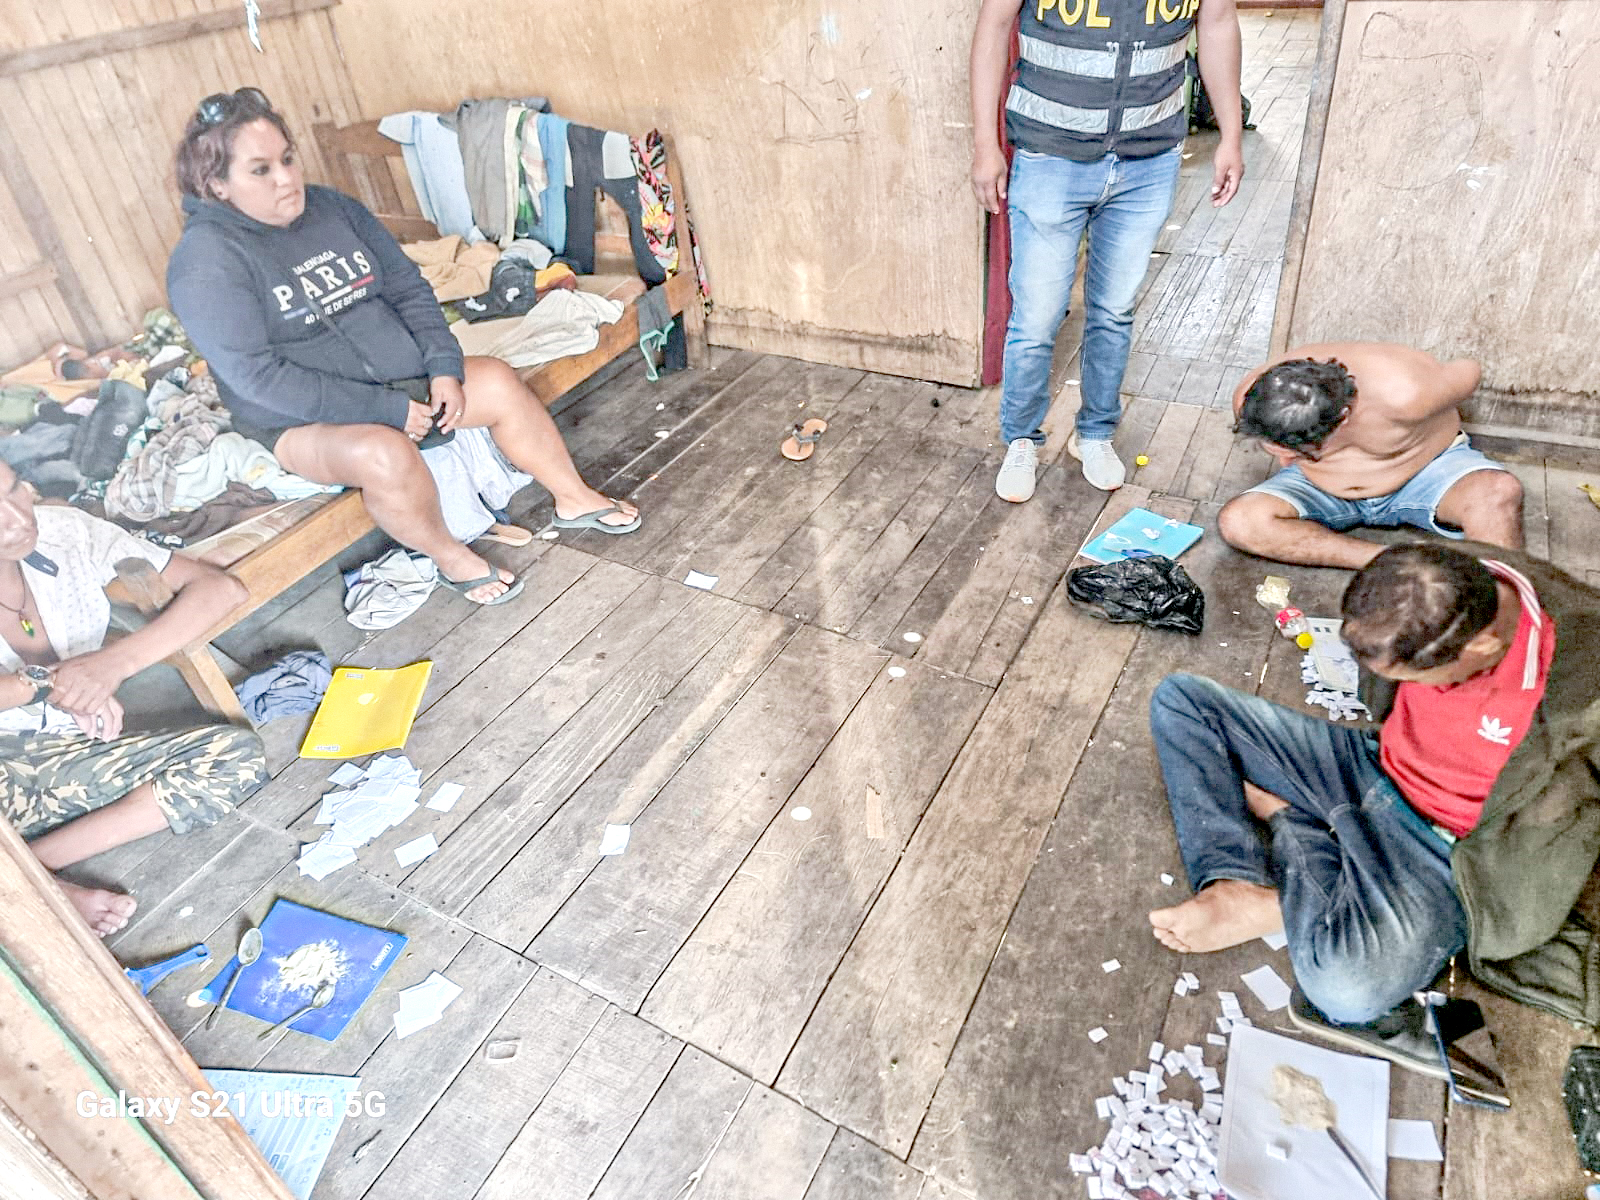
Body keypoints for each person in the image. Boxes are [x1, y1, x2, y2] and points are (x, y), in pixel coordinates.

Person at [166, 88, 639, 608]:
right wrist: (385, 410)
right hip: (300, 420)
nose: (286, 179)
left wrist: (442, 367)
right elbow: (261, 379)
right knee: (384, 453)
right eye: (260, 170)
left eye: (287, 158)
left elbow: (409, 289)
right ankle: (450, 556)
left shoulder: (332, 209)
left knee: (499, 381)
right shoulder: (205, 263)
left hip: (402, 381)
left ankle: (573, 499)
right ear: (216, 184)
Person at [1146, 542, 1600, 1069]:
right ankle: (1236, 877)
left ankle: (1291, 833)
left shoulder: (1582, 684)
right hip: (1371, 767)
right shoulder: (1438, 574)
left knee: (1346, 992)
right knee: (1184, 701)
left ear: (1483, 645)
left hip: (1452, 852)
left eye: (1414, 678)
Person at [972, 0, 1245, 500]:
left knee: (1114, 310)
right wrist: (985, 145)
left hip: (1149, 160)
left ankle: (1095, 434)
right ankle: (1021, 439)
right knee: (1036, 317)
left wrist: (1231, 134)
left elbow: (1219, 23)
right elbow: (994, 24)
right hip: (1050, 155)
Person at [0, 463, 267, 936]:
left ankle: (31, 876)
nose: (18, 518)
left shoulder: (66, 532)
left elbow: (219, 589)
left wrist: (111, 665)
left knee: (235, 756)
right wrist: (49, 683)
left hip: (60, 757)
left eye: (14, 489)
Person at [1218, 342, 1524, 568]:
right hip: (1322, 491)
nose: (1285, 463)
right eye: (1283, 454)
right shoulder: (1252, 399)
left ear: (1343, 417)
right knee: (1241, 522)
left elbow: (1469, 369)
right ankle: (1395, 560)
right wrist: (1302, 460)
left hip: (1425, 474)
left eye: (1303, 454)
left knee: (1498, 492)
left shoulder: (1407, 393)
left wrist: (1436, 383)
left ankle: (1510, 598)